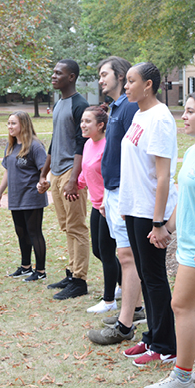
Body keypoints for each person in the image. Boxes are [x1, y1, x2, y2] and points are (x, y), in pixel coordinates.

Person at [144, 91, 195, 388]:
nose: (184, 117)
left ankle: (182, 376)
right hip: (189, 242)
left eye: (190, 112)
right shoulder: (194, 151)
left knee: (181, 305)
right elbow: (186, 202)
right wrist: (165, 228)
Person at [118, 62, 177, 366]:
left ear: (149, 85)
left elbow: (163, 175)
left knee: (154, 278)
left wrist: (159, 223)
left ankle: (166, 344)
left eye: (131, 81)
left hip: (150, 212)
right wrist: (127, 208)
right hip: (135, 209)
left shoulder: (160, 118)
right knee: (145, 275)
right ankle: (153, 337)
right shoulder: (140, 114)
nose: (126, 86)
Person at [86, 56, 145, 346]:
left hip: (124, 190)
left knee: (127, 256)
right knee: (125, 255)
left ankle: (125, 323)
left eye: (104, 74)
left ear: (120, 76)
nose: (100, 79)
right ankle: (133, 309)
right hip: (113, 189)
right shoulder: (117, 108)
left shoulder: (130, 107)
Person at [37, 59, 89, 300]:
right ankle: (71, 273)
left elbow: (83, 142)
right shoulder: (59, 104)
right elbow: (54, 141)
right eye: (53, 71)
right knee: (66, 225)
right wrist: (44, 173)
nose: (54, 75)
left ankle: (80, 280)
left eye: (59, 73)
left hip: (71, 171)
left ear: (72, 77)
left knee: (77, 226)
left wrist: (74, 179)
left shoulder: (79, 104)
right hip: (57, 173)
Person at [74, 104, 120, 313]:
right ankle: (123, 283)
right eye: (82, 121)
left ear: (101, 125)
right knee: (98, 251)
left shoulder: (108, 145)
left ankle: (109, 301)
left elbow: (114, 175)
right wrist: (76, 184)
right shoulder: (88, 144)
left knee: (108, 252)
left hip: (108, 206)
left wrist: (107, 201)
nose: (82, 125)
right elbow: (86, 172)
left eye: (87, 121)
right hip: (96, 205)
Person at [0, 111, 48, 281]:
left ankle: (40, 271)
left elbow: (44, 170)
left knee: (34, 232)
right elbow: (7, 172)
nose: (10, 127)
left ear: (23, 125)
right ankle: (26, 267)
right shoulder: (10, 146)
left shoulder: (35, 146)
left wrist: (43, 183)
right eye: (8, 123)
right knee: (21, 232)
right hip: (16, 197)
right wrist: (0, 192)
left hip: (31, 196)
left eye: (13, 123)